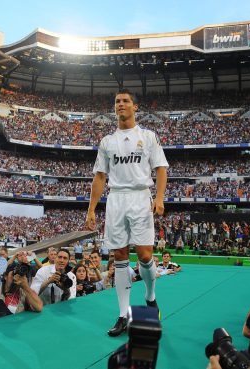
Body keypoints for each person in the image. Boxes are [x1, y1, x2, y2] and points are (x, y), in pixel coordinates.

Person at [85, 89, 168, 337]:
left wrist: (160, 198)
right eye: (117, 101)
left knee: (144, 255)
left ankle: (150, 297)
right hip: (116, 199)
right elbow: (100, 176)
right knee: (119, 256)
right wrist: (91, 209)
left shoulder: (148, 136)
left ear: (135, 107)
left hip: (141, 196)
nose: (120, 105)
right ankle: (123, 315)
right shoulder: (107, 141)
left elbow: (161, 169)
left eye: (125, 101)